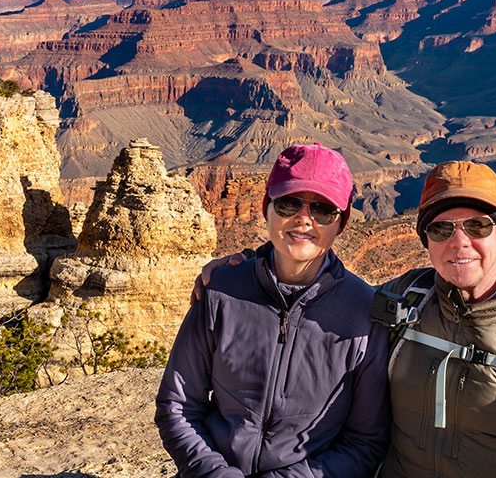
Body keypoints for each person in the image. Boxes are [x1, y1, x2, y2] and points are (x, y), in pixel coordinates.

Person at [193, 160, 496, 477]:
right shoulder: (402, 301)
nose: (459, 242)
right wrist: (250, 267)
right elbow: (320, 288)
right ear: (425, 241)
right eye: (441, 229)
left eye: (477, 226)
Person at [155, 143, 390, 478]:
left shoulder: (364, 314)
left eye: (322, 210)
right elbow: (177, 407)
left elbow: (364, 442)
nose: (304, 220)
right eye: (289, 203)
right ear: (267, 208)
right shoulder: (220, 292)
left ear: (341, 223)